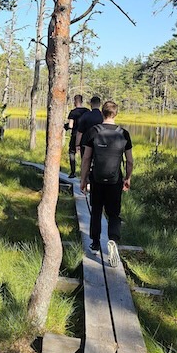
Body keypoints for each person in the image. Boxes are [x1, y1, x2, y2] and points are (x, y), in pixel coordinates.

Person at [80, 100, 133, 266]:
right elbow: (129, 160)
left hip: (96, 178)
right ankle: (113, 240)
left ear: (102, 113)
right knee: (114, 214)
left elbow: (87, 158)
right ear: (115, 114)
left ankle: (95, 243)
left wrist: (83, 179)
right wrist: (128, 178)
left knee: (96, 211)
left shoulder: (93, 131)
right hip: (115, 180)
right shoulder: (123, 133)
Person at [65, 94, 89, 178]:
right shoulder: (87, 111)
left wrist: (65, 126)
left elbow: (70, 126)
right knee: (85, 156)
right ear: (82, 101)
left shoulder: (73, 112)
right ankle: (85, 175)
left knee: (72, 153)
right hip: (85, 137)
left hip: (75, 135)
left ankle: (73, 172)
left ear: (75, 102)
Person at [75, 95, 103, 160]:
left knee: (85, 162)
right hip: (100, 144)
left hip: (85, 143)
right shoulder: (103, 116)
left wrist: (77, 145)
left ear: (91, 104)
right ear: (99, 104)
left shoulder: (86, 115)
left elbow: (79, 132)